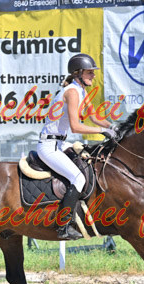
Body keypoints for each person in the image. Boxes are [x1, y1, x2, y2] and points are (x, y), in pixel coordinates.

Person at [37, 53, 118, 240]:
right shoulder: (72, 92)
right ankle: (63, 226)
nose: (93, 76)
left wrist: (113, 127)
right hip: (49, 146)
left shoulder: (81, 91)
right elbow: (75, 126)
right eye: (90, 72)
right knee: (78, 178)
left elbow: (94, 117)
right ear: (78, 73)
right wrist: (102, 131)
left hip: (60, 143)